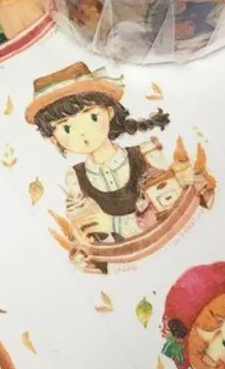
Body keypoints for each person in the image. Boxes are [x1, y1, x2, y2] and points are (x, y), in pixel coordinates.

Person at [25, 62, 171, 242]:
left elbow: (170, 204)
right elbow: (84, 230)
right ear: (54, 139)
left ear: (109, 112)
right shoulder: (75, 178)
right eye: (66, 128)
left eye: (92, 117)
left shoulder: (146, 153)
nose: (82, 132)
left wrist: (113, 224)